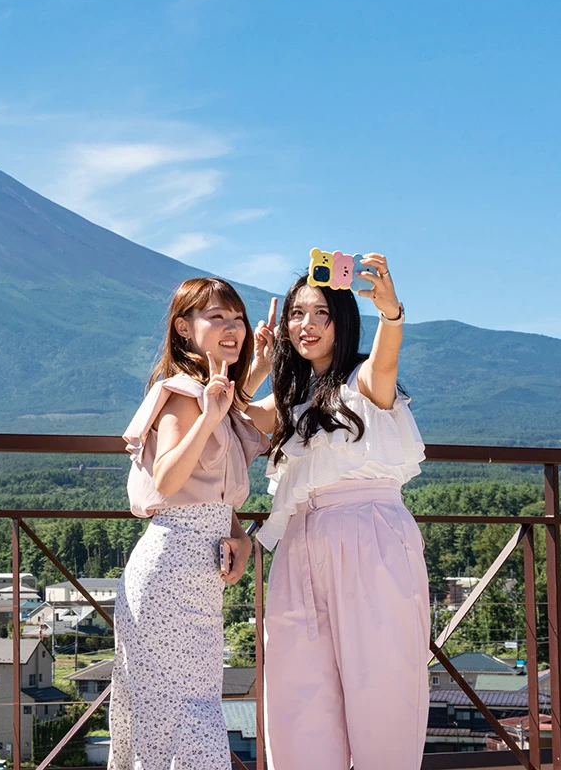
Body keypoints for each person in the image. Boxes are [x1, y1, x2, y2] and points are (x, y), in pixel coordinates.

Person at [243, 254, 429, 770]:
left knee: (382, 683)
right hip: (301, 540)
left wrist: (392, 317)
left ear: (343, 320)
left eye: (320, 313)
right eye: (296, 314)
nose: (306, 324)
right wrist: (259, 367)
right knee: (297, 689)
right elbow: (230, 413)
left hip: (370, 534)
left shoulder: (365, 380)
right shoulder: (291, 395)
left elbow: (385, 362)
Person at [109, 277, 271, 770]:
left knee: (178, 711)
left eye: (237, 318)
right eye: (216, 317)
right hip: (173, 569)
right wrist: (209, 415)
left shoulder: (211, 394)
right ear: (183, 328)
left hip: (194, 572)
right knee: (182, 713)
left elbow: (215, 479)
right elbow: (169, 478)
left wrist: (241, 535)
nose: (231, 328)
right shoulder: (184, 396)